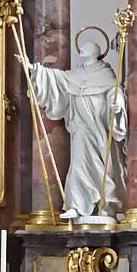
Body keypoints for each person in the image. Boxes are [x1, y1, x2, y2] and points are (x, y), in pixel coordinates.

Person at [26, 31, 127, 222]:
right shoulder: (77, 74)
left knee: (103, 164)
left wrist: (117, 105)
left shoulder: (105, 73)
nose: (81, 49)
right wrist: (34, 68)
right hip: (80, 126)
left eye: (86, 47)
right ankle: (77, 205)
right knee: (79, 163)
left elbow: (115, 92)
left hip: (99, 127)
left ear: (95, 52)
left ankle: (106, 202)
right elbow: (56, 77)